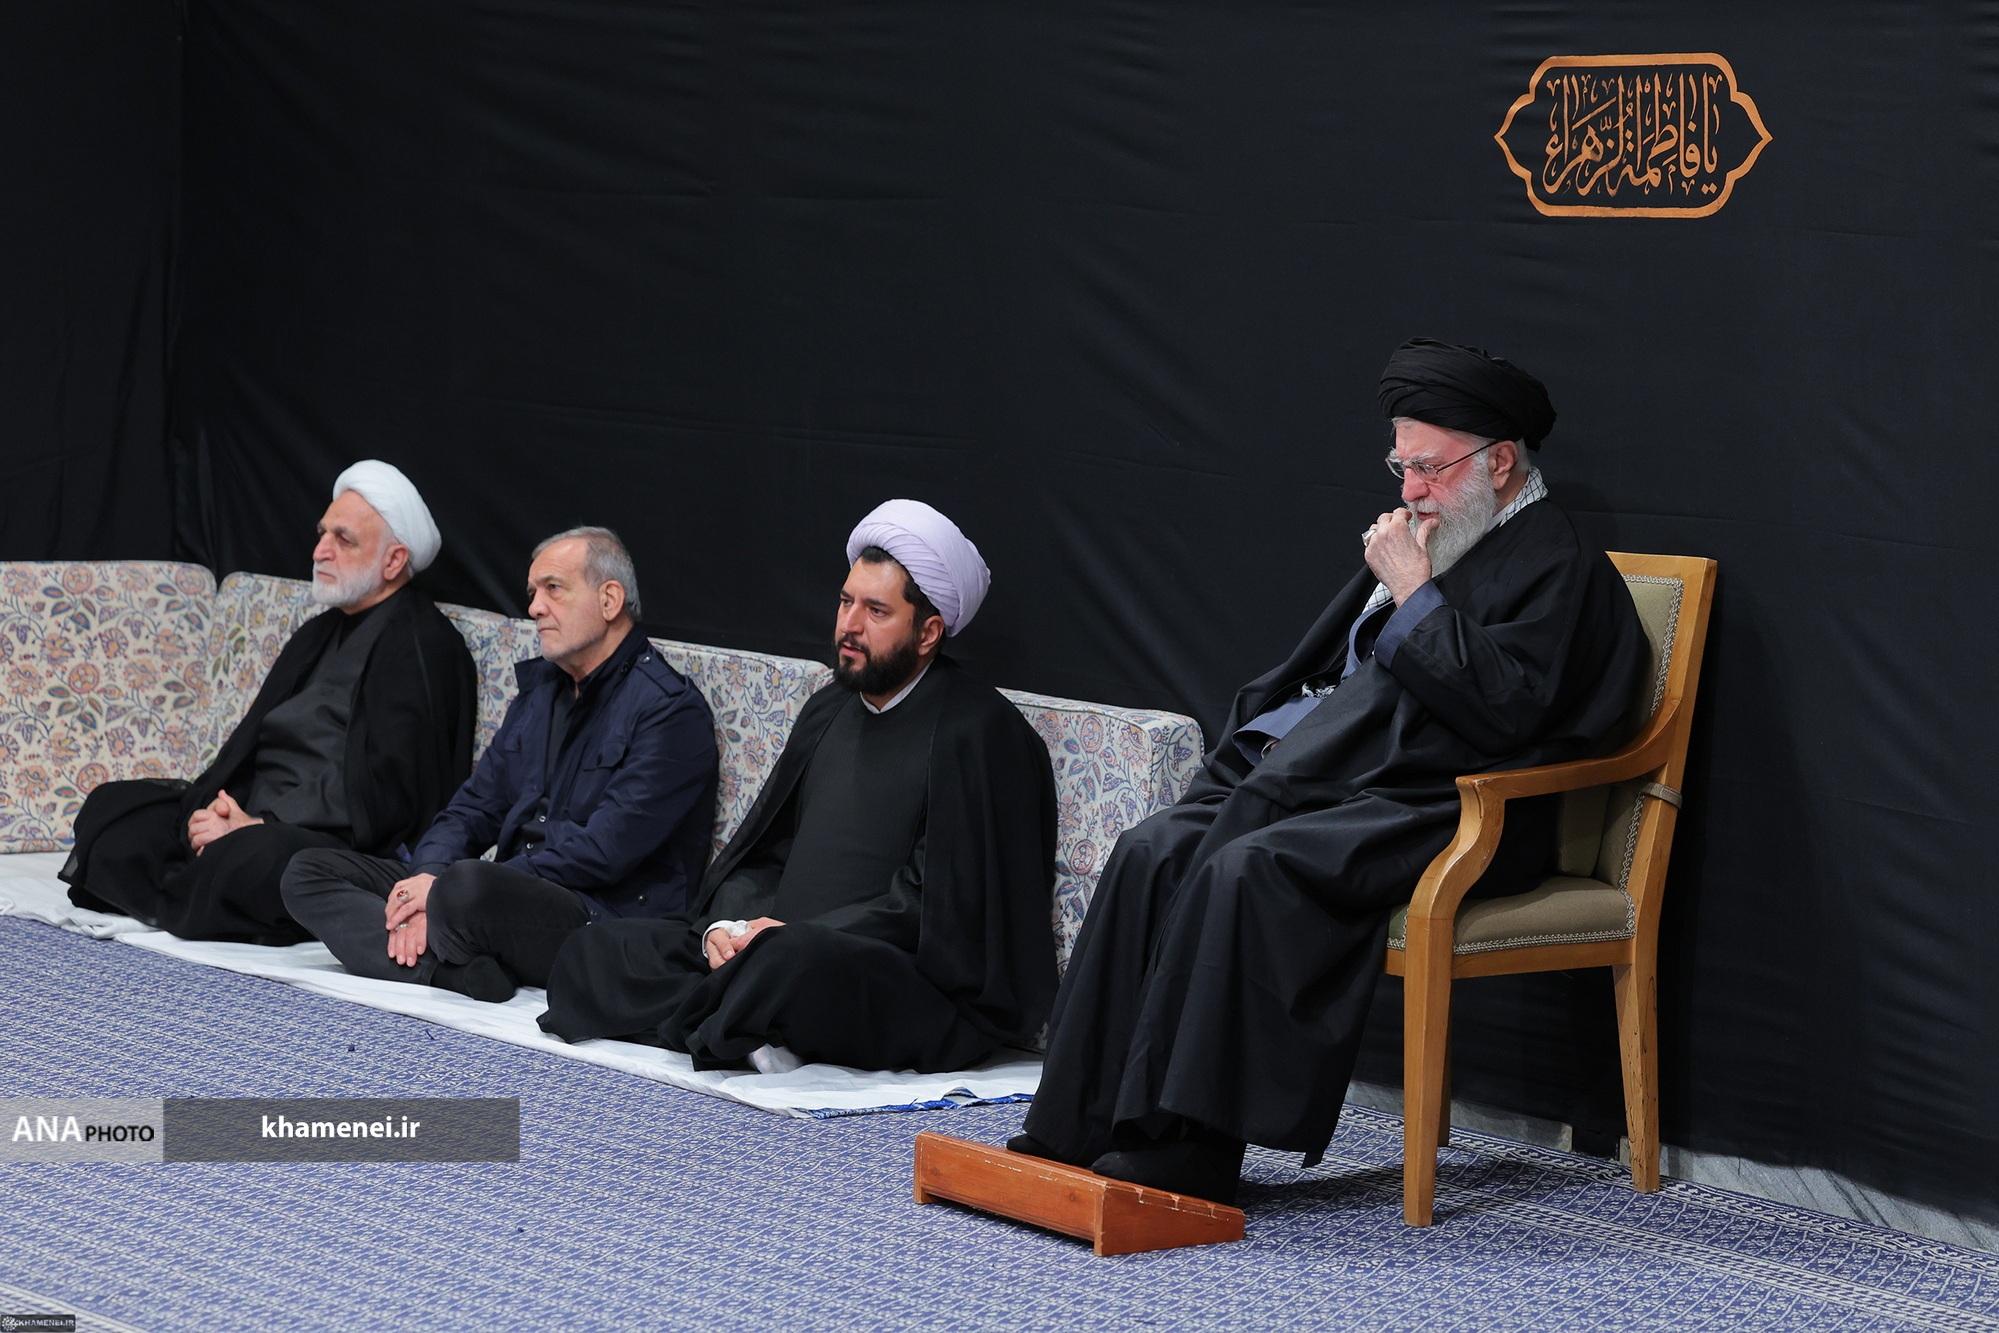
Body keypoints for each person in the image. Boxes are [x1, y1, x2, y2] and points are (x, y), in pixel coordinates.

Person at [1009, 339, 1651, 1203]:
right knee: (1149, 848)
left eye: (1427, 468)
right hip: (1348, 780)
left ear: (1499, 463)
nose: (1408, 490)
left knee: (1245, 868)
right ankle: (1080, 1119)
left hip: (1452, 807)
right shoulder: (1443, 536)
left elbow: (1502, 713)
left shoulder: (1558, 566)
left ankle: (1189, 1145)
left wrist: (1414, 593)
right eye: (1400, 466)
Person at [537, 500, 1058, 1075]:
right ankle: (745, 1023)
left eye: (876, 611)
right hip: (775, 951)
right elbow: (766, 853)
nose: (849, 625)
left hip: (897, 980)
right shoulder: (829, 709)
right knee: (599, 948)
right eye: (845, 601)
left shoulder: (977, 733)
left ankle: (740, 1016)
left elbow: (937, 908)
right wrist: (728, 929)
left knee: (792, 965)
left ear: (928, 632)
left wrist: (795, 935)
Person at [281, 527, 718, 1003]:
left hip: (596, 915)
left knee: (467, 887)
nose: (535, 608)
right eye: (532, 593)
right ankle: (455, 974)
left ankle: (444, 939)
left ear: (609, 599)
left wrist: (448, 889)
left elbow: (605, 851)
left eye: (553, 588)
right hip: (499, 892)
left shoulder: (669, 711)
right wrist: (426, 878)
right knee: (307, 872)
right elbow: (471, 809)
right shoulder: (541, 696)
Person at [60, 461, 476, 943]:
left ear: (393, 560)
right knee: (114, 810)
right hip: (255, 813)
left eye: (343, 540)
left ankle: (195, 884)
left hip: (334, 839)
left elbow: (391, 792)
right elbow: (252, 745)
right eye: (322, 534)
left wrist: (258, 825)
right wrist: (219, 809)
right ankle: (198, 886)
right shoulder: (319, 632)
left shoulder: (423, 646)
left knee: (255, 860)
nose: (320, 551)